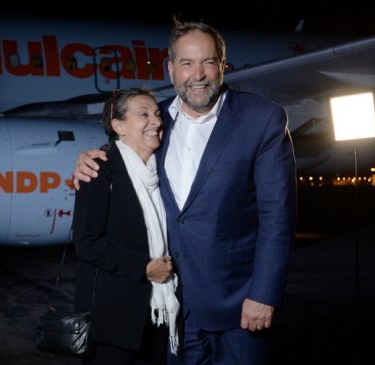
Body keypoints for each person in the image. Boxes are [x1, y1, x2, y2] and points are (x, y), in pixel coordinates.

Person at [73, 18, 296, 365]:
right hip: (172, 309)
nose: (198, 74)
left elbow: (277, 217)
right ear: (172, 69)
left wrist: (263, 295)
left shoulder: (261, 118)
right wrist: (88, 160)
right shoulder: (156, 122)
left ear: (222, 66)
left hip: (238, 308)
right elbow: (123, 156)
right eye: (187, 63)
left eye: (208, 62)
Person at [72, 87, 180, 365]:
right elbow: (87, 243)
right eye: (143, 114)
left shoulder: (166, 172)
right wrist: (143, 267)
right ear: (119, 126)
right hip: (114, 320)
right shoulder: (99, 170)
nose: (156, 121)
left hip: (158, 316)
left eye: (157, 113)